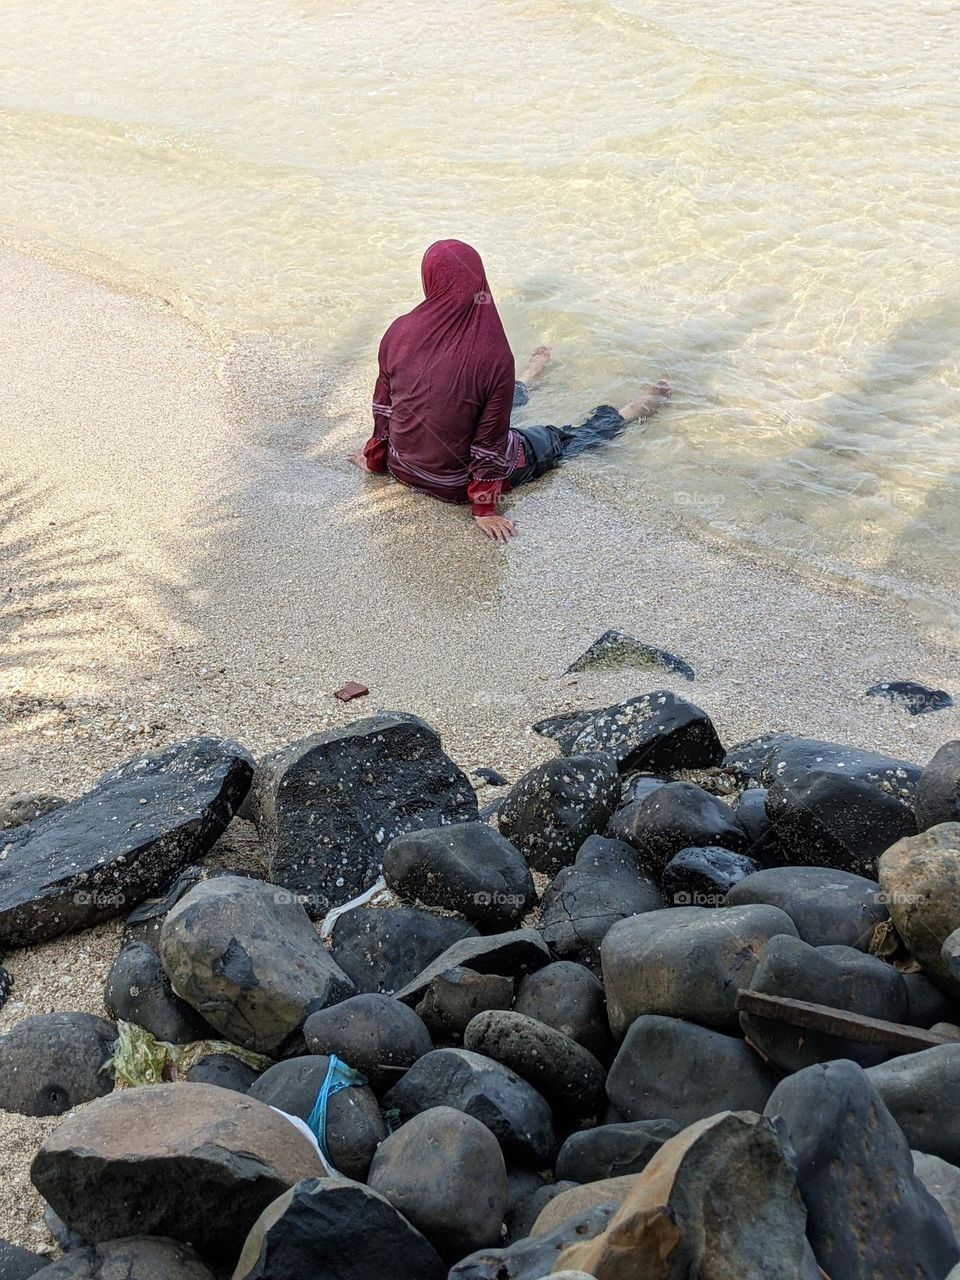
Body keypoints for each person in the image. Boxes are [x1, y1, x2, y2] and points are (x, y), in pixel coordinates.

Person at [349, 239, 669, 542]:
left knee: (470, 401)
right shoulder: (493, 354)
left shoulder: (398, 332)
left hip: (402, 468)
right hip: (456, 487)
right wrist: (484, 509)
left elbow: (384, 409)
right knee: (560, 440)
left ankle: (528, 377)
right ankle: (631, 411)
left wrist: (376, 461)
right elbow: (488, 443)